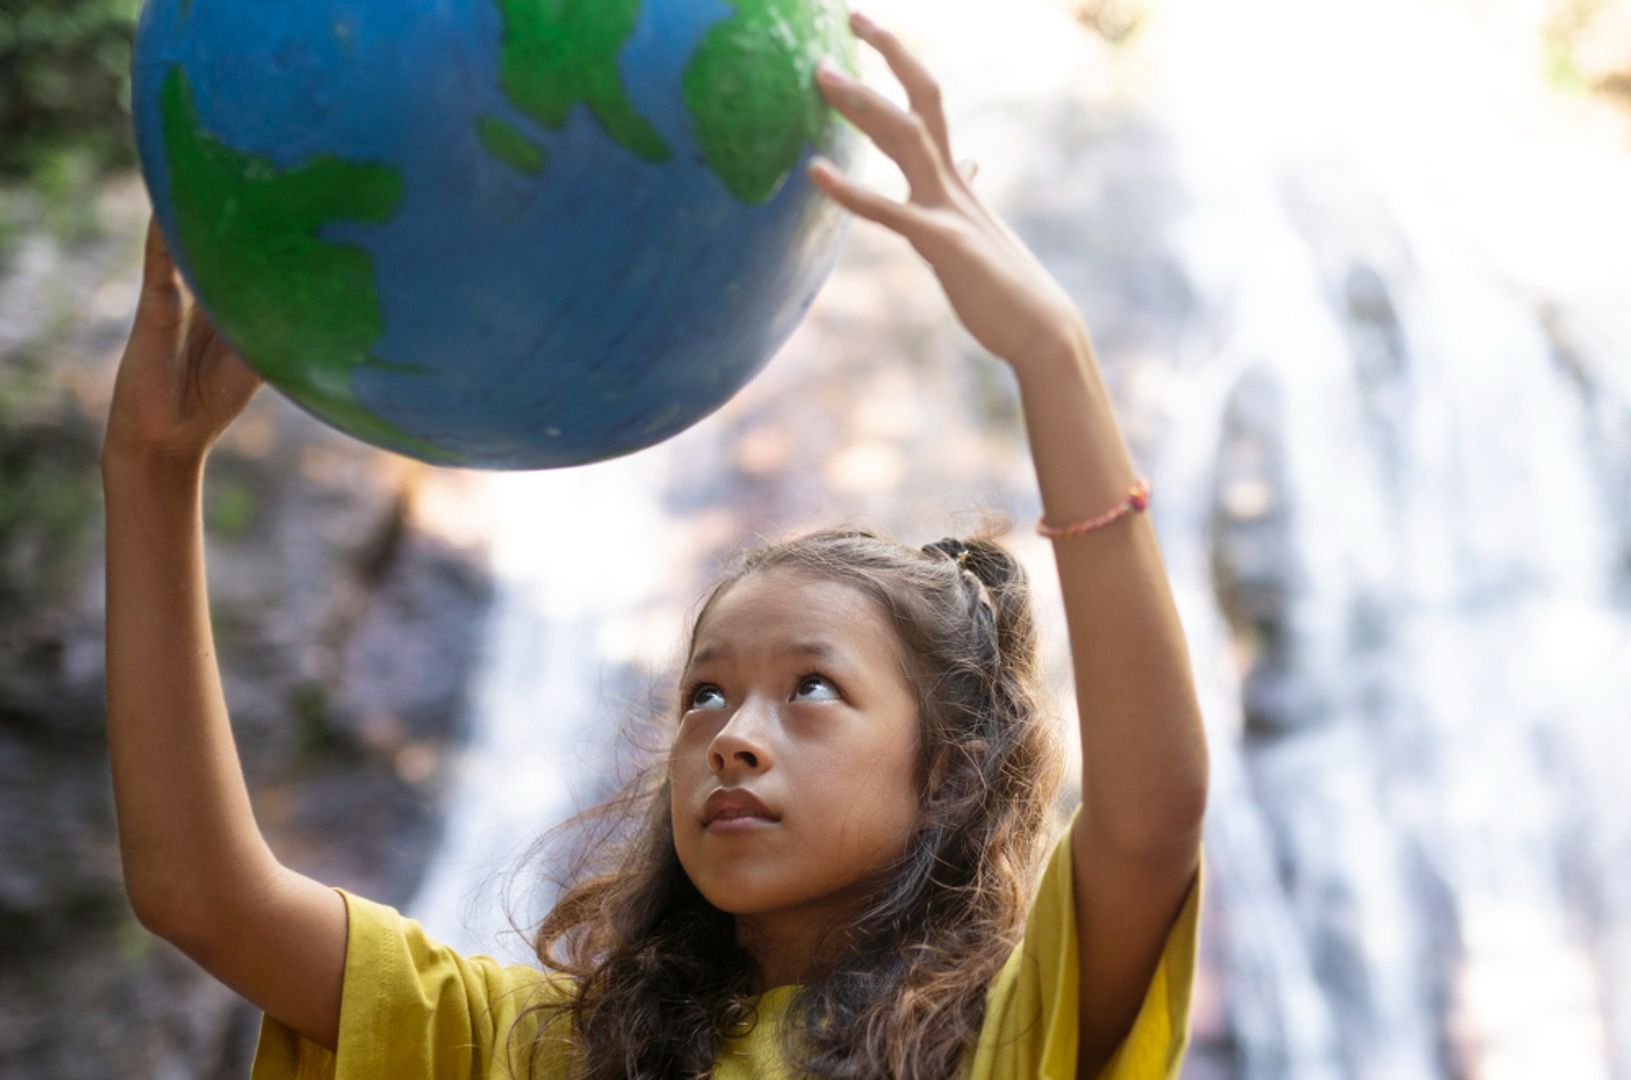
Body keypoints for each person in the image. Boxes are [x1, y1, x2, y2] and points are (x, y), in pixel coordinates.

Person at [102, 11, 1210, 1078]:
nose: (731, 737)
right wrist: (153, 472)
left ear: (951, 772)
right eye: (702, 695)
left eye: (812, 687)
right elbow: (204, 898)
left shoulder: (1006, 1035)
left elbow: (1151, 816)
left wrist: (1048, 352)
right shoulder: (533, 1048)